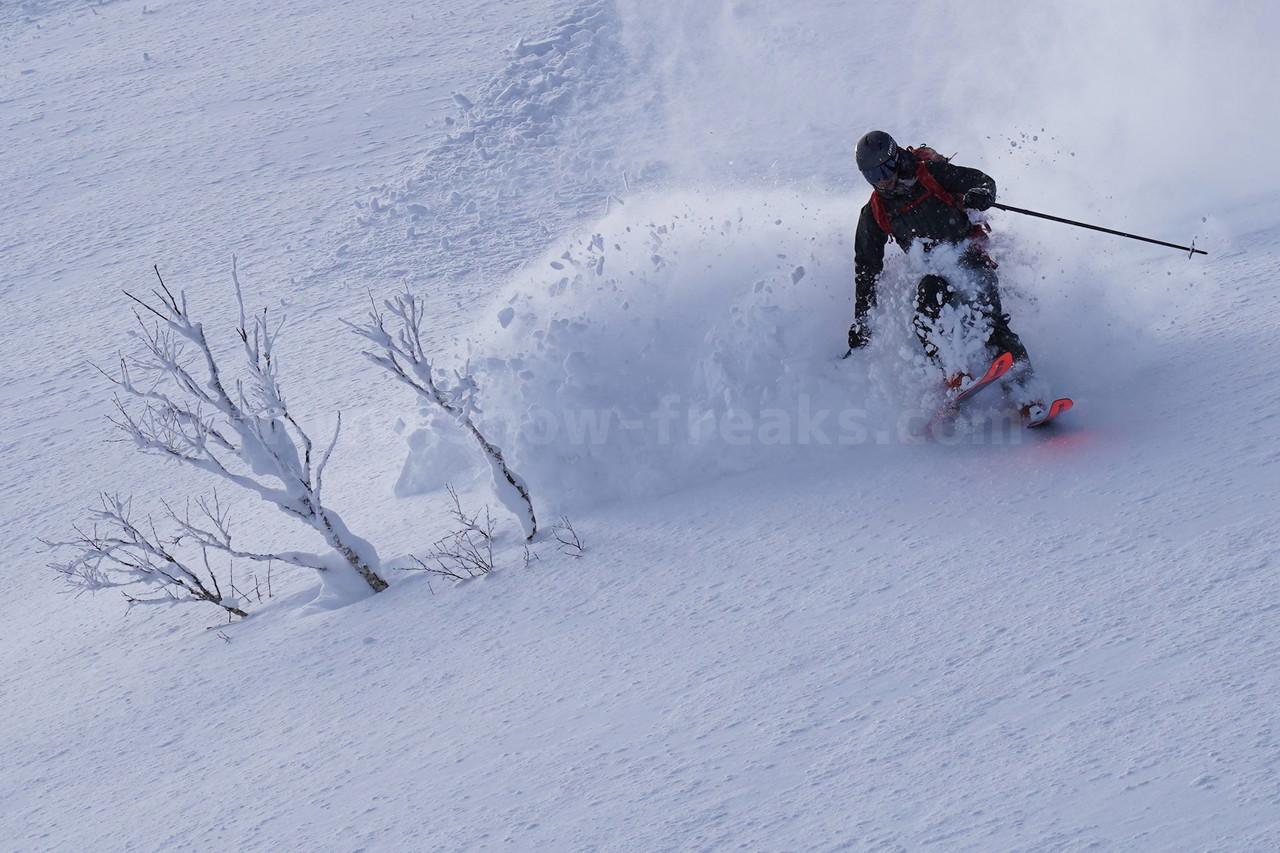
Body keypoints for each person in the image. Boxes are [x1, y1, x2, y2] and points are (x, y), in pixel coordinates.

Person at [846, 129, 1042, 416]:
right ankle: (955, 373)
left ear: (895, 158)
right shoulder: (875, 211)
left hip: (969, 257)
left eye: (885, 169)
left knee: (988, 322)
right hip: (932, 270)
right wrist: (862, 321)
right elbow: (866, 267)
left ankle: (1028, 396)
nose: (882, 179)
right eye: (871, 175)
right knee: (926, 303)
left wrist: (981, 194)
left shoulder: (930, 173)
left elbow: (980, 180)